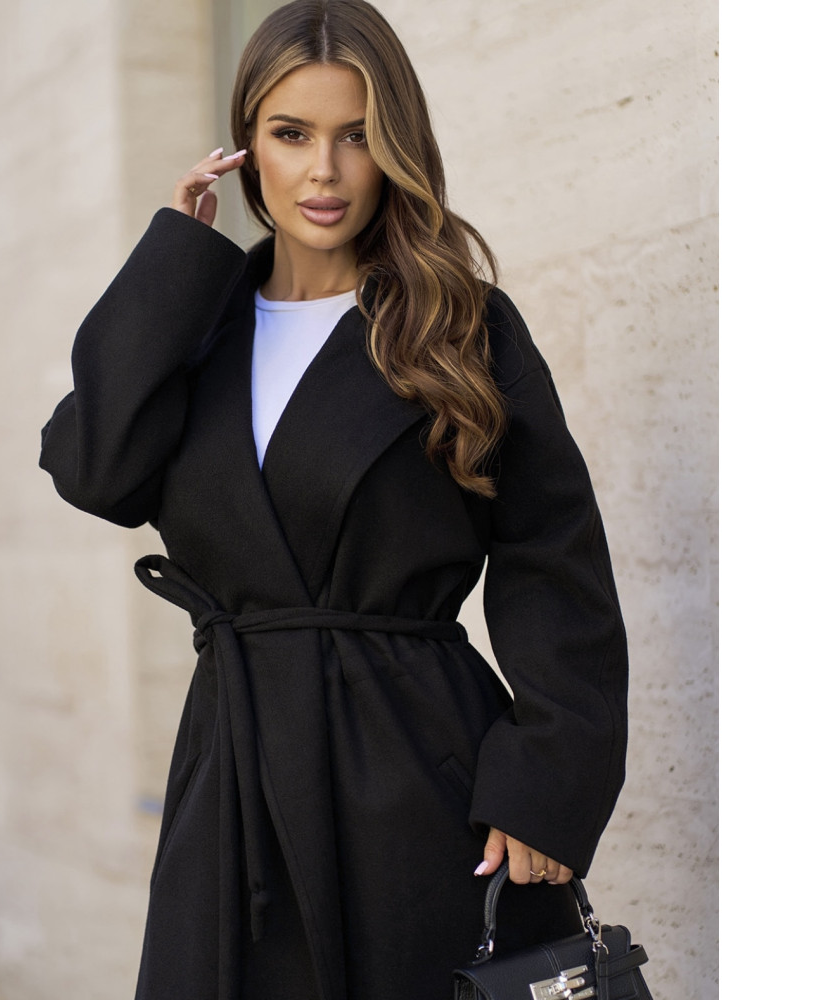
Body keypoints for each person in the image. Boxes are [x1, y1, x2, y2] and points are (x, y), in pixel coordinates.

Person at [39, 1, 628, 997]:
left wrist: (547, 781)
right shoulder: (197, 327)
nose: (324, 171)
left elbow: (551, 555)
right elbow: (95, 470)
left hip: (417, 775)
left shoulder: (459, 325)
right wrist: (172, 262)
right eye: (291, 133)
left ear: (395, 147)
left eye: (356, 135)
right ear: (245, 146)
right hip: (234, 773)